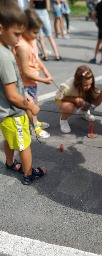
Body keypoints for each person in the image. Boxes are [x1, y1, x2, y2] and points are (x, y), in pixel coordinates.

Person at [0, 0, 46, 185]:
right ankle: (28, 173)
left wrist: (24, 93)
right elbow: (12, 95)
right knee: (24, 144)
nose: (19, 39)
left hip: (4, 114)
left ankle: (10, 164)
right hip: (14, 113)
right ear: (1, 28)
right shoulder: (5, 56)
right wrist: (31, 105)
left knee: (9, 140)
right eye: (16, 34)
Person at [13, 9, 52, 139]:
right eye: (34, 32)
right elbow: (25, 72)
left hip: (32, 82)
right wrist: (43, 80)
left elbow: (36, 57)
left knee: (34, 101)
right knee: (30, 106)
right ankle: (35, 127)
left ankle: (34, 122)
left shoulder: (31, 40)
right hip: (25, 83)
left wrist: (45, 70)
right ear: (24, 29)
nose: (36, 35)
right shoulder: (22, 47)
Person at [55, 65, 102, 133]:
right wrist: (74, 100)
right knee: (68, 107)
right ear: (78, 82)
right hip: (66, 99)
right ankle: (63, 120)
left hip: (79, 98)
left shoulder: (89, 85)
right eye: (85, 85)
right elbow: (58, 99)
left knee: (96, 100)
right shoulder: (67, 86)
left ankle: (83, 111)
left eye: (90, 84)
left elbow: (97, 99)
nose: (88, 87)